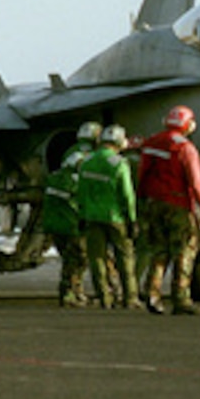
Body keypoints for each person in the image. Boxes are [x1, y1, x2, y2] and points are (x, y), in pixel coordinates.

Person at [137, 105, 200, 315]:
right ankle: (181, 299)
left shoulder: (151, 142)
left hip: (153, 204)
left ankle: (152, 295)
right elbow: (197, 183)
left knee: (159, 251)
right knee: (184, 252)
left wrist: (142, 202)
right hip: (178, 206)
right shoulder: (186, 148)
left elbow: (142, 173)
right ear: (189, 125)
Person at [78, 124, 141, 309]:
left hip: (91, 217)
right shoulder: (119, 163)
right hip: (115, 218)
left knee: (96, 258)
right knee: (125, 257)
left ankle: (104, 297)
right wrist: (132, 219)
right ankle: (130, 298)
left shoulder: (87, 162)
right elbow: (127, 195)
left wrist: (82, 214)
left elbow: (81, 192)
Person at [42, 121, 101, 307]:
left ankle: (75, 292)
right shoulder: (90, 159)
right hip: (71, 216)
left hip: (54, 216)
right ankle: (69, 294)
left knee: (71, 256)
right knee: (77, 256)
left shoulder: (70, 154)